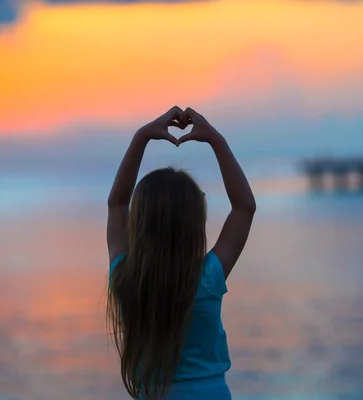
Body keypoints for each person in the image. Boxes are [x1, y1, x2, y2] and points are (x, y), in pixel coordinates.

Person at [106, 106, 256, 399]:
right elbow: (244, 207)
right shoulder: (207, 278)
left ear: (140, 222)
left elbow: (117, 205)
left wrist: (141, 137)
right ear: (193, 224)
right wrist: (215, 139)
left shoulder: (126, 281)